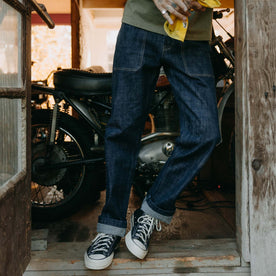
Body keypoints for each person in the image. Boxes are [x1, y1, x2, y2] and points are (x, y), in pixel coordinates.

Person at [84, 0, 220, 270]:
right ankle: (110, 227)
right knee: (124, 128)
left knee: (206, 131)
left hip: (192, 36)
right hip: (140, 26)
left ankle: (151, 210)